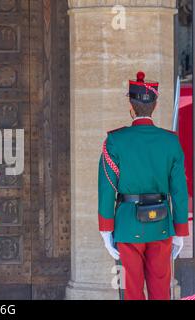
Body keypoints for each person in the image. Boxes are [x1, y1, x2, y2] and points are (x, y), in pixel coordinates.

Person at [98, 71, 189, 300]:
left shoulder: (115, 141)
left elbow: (107, 187)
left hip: (128, 225)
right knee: (161, 291)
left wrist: (106, 229)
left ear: (131, 106)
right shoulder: (170, 141)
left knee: (132, 291)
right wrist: (179, 232)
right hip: (161, 223)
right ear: (155, 106)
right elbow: (179, 190)